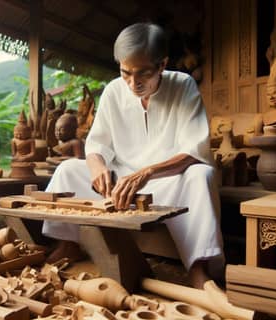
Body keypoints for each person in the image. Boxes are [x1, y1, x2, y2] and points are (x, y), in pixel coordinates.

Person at [42, 22, 224, 289]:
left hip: (169, 181)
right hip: (120, 185)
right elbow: (96, 146)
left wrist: (147, 172)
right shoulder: (114, 91)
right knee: (68, 169)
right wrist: (97, 169)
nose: (133, 82)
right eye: (125, 72)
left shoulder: (183, 86)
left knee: (202, 174)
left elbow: (193, 150)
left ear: (162, 65)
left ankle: (198, 268)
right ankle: (68, 245)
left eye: (142, 74)